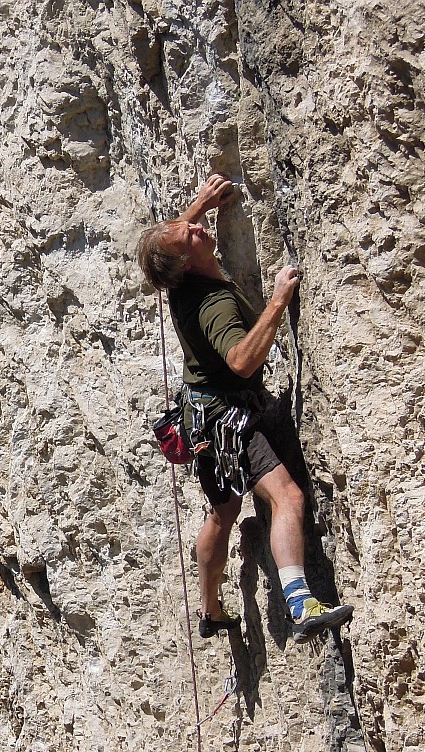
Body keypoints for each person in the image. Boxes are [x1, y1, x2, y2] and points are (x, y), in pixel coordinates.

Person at [137, 174, 354, 643]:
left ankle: (211, 610)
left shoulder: (179, 279)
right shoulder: (214, 304)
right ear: (184, 262)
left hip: (200, 421)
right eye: (189, 233)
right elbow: (241, 360)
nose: (194, 227)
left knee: (224, 509)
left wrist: (201, 204)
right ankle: (300, 602)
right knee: (288, 497)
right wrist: (278, 300)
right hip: (229, 421)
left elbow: (175, 237)